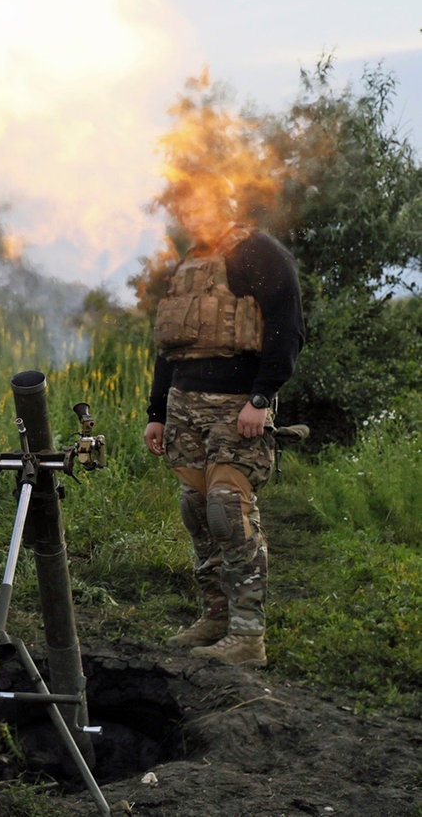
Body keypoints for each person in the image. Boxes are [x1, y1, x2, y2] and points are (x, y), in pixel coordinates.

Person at [144, 171, 304, 668]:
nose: (194, 216)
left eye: (203, 205)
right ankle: (214, 616)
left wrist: (261, 397)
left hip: (237, 403)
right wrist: (156, 413)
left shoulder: (258, 252)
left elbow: (287, 326)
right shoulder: (189, 262)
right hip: (184, 405)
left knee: (226, 510)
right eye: (186, 209)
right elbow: (171, 344)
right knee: (196, 510)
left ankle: (248, 635)